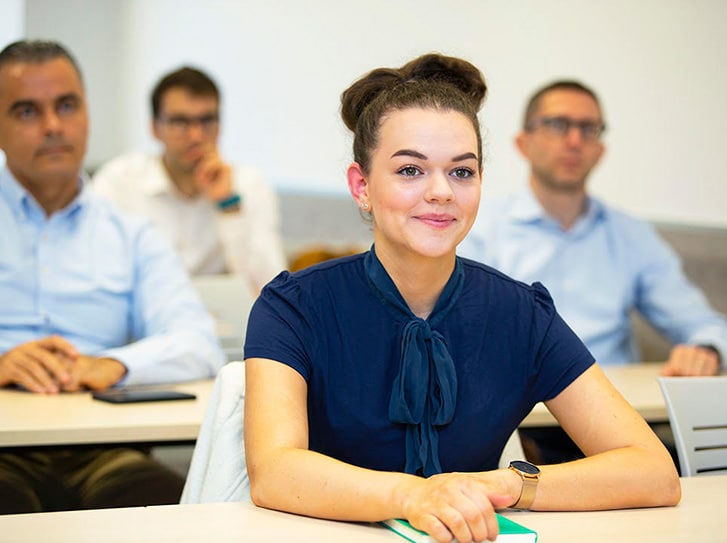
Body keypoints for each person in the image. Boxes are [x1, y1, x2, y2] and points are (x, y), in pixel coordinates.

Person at [243, 53, 679, 543]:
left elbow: (653, 471)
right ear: (361, 186)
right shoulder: (294, 305)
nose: (440, 192)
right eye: (410, 171)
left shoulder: (520, 314)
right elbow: (275, 471)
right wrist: (413, 496)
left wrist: (505, 486)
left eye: (461, 172)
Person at [458, 80, 727, 466]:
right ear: (523, 142)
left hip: (617, 425)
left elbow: (707, 325)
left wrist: (705, 350)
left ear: (600, 149)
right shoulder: (477, 228)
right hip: (518, 428)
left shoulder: (630, 235)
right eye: (558, 125)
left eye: (588, 128)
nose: (574, 140)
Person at [0, 40, 224, 514]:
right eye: (26, 111)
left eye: (66, 105)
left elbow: (198, 342)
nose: (53, 126)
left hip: (103, 453)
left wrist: (115, 365)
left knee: (181, 515)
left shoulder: (131, 235)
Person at [92, 66, 286, 295]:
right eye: (180, 122)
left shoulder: (248, 185)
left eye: (207, 120)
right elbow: (99, 276)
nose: (196, 136)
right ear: (155, 128)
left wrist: (228, 205)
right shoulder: (118, 182)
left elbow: (271, 291)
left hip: (225, 326)